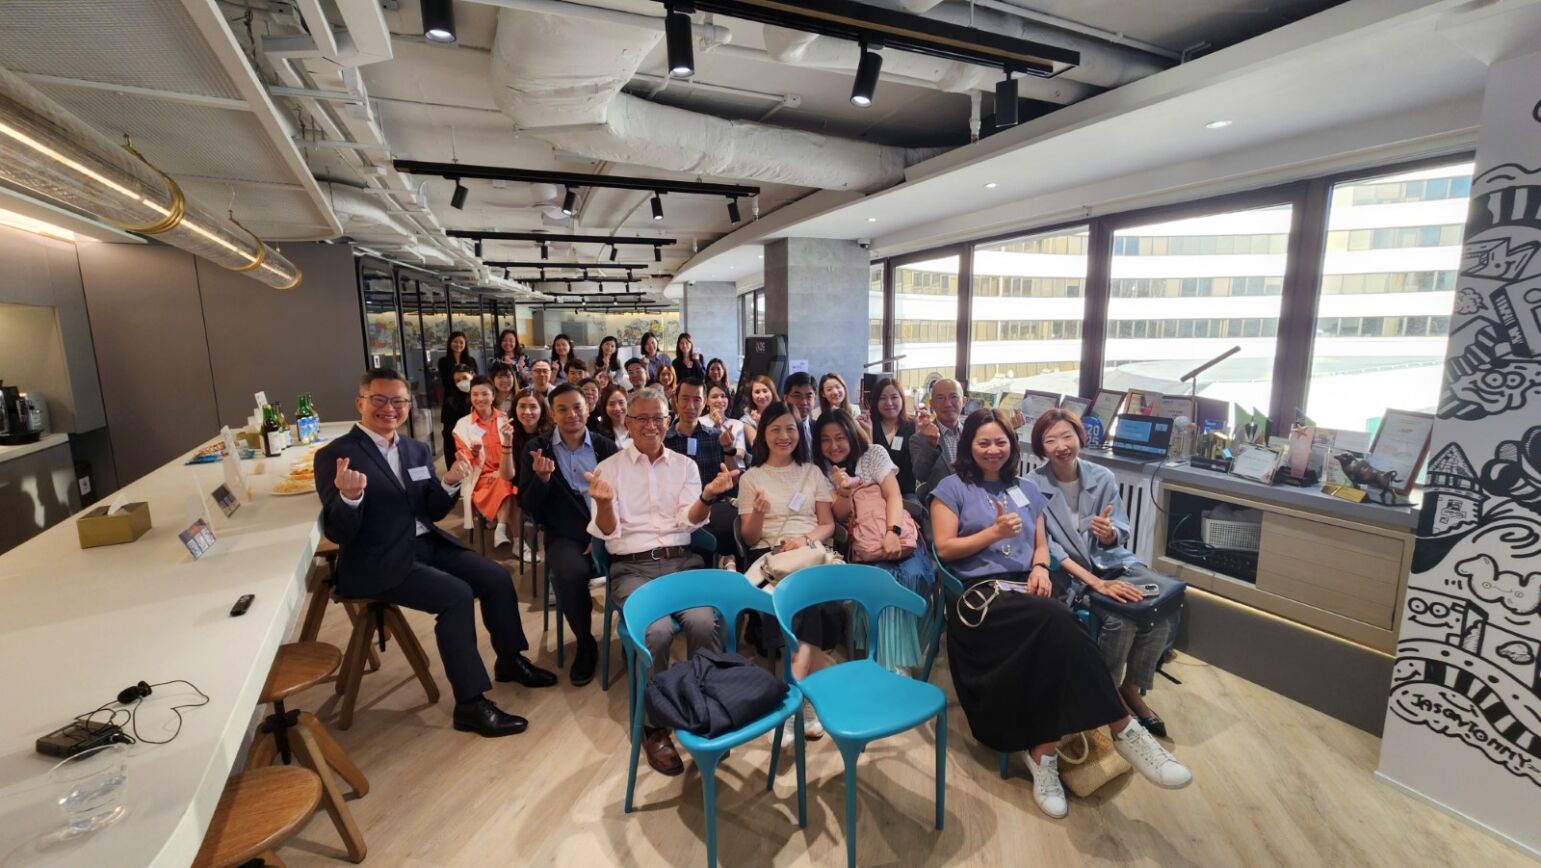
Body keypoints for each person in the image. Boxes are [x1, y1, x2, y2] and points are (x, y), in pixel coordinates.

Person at [930, 408, 1190, 819]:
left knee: (1054, 632)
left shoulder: (1025, 490)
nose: (993, 449)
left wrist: (1038, 567)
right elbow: (944, 549)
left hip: (1028, 587)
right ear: (969, 446)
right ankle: (1123, 729)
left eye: (1000, 442)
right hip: (982, 596)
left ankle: (1044, 755)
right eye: (984, 442)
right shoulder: (952, 487)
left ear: (1012, 446)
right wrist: (993, 533)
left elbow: (1041, 546)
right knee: (1057, 621)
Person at [315, 369, 556, 739]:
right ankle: (470, 704)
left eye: (399, 401)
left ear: (408, 406)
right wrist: (350, 498)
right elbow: (337, 532)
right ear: (360, 403)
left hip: (426, 543)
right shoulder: (336, 455)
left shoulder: (416, 449)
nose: (390, 408)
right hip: (376, 558)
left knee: (495, 577)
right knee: (456, 596)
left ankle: (509, 660)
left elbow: (432, 510)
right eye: (379, 399)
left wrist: (449, 481)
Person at [588, 387, 739, 775]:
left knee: (705, 622)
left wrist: (707, 497)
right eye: (642, 418)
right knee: (656, 632)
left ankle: (705, 706)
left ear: (667, 421)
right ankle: (654, 725)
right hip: (633, 567)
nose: (651, 425)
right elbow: (607, 532)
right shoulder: (610, 469)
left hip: (682, 563)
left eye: (658, 418)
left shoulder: (684, 466)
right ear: (628, 422)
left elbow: (690, 520)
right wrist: (603, 503)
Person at [1029, 409, 1178, 737]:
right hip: (1072, 575)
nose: (1061, 446)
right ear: (1040, 447)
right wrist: (1096, 583)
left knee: (1157, 613)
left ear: (1080, 437)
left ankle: (1132, 689)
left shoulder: (1103, 477)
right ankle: (1106, 695)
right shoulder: (1032, 486)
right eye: (1050, 440)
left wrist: (1109, 533)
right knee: (1120, 620)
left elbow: (1121, 528)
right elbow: (1049, 549)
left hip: (1114, 563)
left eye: (1067, 436)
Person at [738, 401, 838, 739]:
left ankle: (791, 691)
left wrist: (805, 540)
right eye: (776, 429)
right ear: (763, 434)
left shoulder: (812, 472)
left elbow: (827, 524)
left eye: (790, 428)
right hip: (771, 557)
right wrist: (759, 513)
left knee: (807, 598)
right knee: (805, 601)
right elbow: (749, 538)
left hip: (811, 551)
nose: (784, 436)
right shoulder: (751, 478)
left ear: (800, 432)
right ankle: (808, 696)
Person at [813, 409, 933, 675]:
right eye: (825, 439)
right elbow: (838, 516)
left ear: (851, 434)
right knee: (882, 584)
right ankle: (892, 665)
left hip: (897, 533)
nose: (833, 446)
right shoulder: (819, 470)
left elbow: (894, 495)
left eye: (840, 437)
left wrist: (892, 532)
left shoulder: (873, 453)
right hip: (860, 544)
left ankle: (895, 656)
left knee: (913, 576)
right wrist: (844, 492)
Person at [518, 383, 617, 686]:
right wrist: (542, 479)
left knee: (637, 565)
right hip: (565, 535)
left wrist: (598, 535)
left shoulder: (604, 446)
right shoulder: (537, 448)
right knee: (570, 574)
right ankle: (585, 642)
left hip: (607, 529)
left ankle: (637, 634)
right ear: (552, 414)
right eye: (562, 409)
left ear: (588, 408)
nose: (571, 414)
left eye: (577, 407)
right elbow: (528, 506)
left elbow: (621, 495)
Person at [666, 378, 740, 563]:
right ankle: (723, 561)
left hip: (713, 506)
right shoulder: (664, 441)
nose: (690, 406)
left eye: (697, 399)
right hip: (676, 509)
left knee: (733, 521)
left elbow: (733, 480)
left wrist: (728, 449)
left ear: (704, 402)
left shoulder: (715, 436)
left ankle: (724, 562)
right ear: (675, 400)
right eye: (685, 398)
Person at [451, 376, 517, 549]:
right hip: (480, 479)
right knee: (508, 486)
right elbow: (463, 460)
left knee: (506, 481)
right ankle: (514, 539)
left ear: (493, 396)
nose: (480, 398)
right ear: (470, 397)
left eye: (485, 394)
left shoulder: (505, 419)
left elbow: (515, 450)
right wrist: (472, 453)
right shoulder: (462, 425)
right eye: (475, 394)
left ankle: (501, 528)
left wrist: (502, 470)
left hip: (506, 472)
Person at [497, 388, 551, 562]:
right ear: (515, 409)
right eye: (522, 406)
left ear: (542, 410)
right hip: (523, 490)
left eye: (533, 407)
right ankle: (519, 543)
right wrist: (507, 442)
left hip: (548, 488)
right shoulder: (510, 432)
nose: (527, 412)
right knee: (511, 490)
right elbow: (507, 475)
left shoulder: (550, 434)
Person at [859, 376, 919, 501]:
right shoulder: (869, 425)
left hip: (906, 492)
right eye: (882, 398)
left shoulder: (913, 426)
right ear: (875, 402)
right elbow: (864, 464)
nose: (889, 403)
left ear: (902, 399)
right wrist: (867, 435)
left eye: (894, 397)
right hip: (876, 492)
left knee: (914, 510)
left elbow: (920, 464)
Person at [910, 377, 965, 501]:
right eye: (940, 398)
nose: (947, 404)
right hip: (940, 503)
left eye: (953, 397)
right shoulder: (918, 439)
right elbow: (920, 475)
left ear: (964, 401)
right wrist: (931, 444)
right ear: (932, 404)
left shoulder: (973, 433)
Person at [705, 382, 747, 470]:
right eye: (714, 397)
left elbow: (741, 453)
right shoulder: (699, 422)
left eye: (723, 396)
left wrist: (729, 448)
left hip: (733, 469)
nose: (720, 400)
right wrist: (717, 427)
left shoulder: (737, 424)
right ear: (706, 401)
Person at [440, 363, 475, 468]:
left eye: (465, 378)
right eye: (458, 380)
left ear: (472, 375)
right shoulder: (451, 401)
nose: (462, 382)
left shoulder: (483, 394)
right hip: (461, 445)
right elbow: (449, 433)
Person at [437, 330, 478, 403]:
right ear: (450, 343)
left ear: (465, 345)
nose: (458, 345)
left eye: (461, 342)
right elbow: (445, 381)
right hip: (452, 397)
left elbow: (476, 378)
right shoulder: (443, 361)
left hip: (469, 396)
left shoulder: (471, 360)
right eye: (455, 341)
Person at [740, 374, 778, 450]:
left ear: (772, 392)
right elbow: (757, 448)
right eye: (757, 392)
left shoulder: (783, 414)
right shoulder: (746, 421)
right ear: (751, 396)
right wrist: (759, 424)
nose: (762, 396)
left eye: (765, 391)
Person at [589, 383, 631, 449]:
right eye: (611, 404)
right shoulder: (599, 433)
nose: (617, 408)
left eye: (621, 402)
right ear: (605, 407)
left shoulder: (638, 425)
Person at [781, 371, 817, 448]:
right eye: (797, 396)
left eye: (808, 397)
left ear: (815, 398)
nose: (804, 402)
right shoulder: (777, 429)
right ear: (786, 399)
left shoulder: (820, 427)